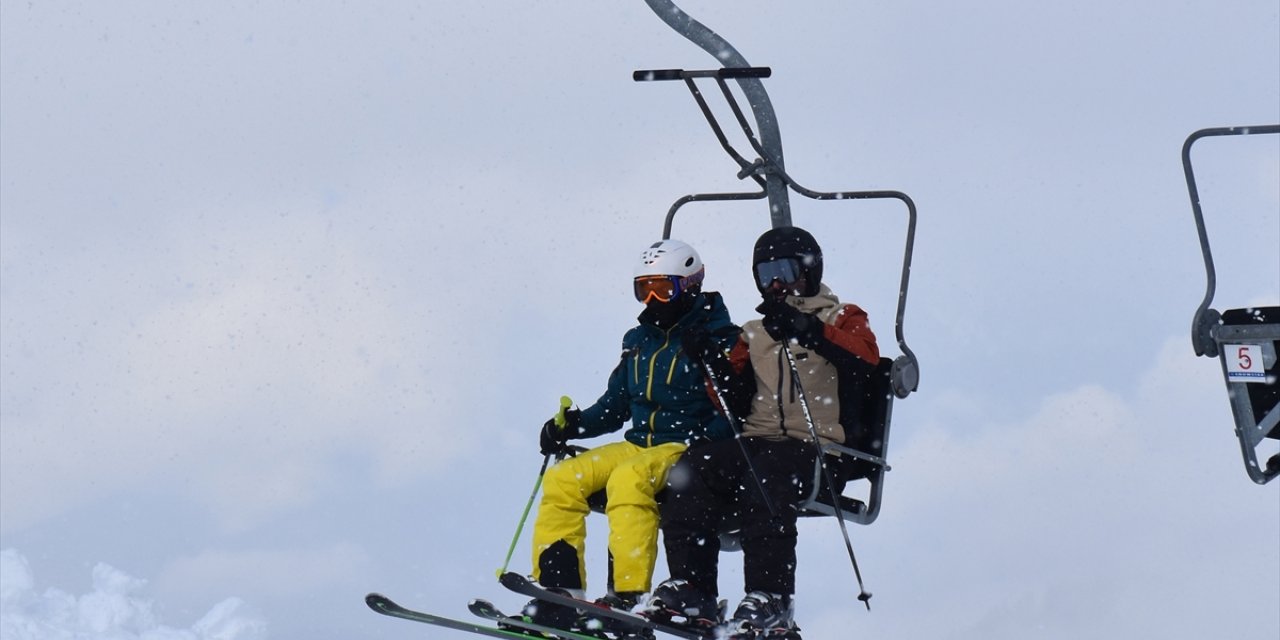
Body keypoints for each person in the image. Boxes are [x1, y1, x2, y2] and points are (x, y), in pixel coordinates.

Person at [645, 226, 880, 638]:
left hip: (819, 449)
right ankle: (693, 587)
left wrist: (808, 329)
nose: (775, 284)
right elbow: (731, 399)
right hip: (757, 441)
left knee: (768, 474)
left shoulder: (840, 317)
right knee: (693, 467)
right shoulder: (755, 333)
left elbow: (865, 361)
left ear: (809, 271)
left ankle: (771, 599)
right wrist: (709, 361)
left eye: (786, 272)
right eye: (766, 274)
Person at [521, 238, 740, 632]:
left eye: (663, 288)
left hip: (683, 444)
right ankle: (560, 590)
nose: (653, 299)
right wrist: (573, 425)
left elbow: (736, 406)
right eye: (644, 289)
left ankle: (626, 596)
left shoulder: (720, 338)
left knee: (629, 480)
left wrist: (706, 442)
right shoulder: (638, 341)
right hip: (638, 442)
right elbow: (617, 405)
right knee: (564, 478)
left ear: (690, 285)